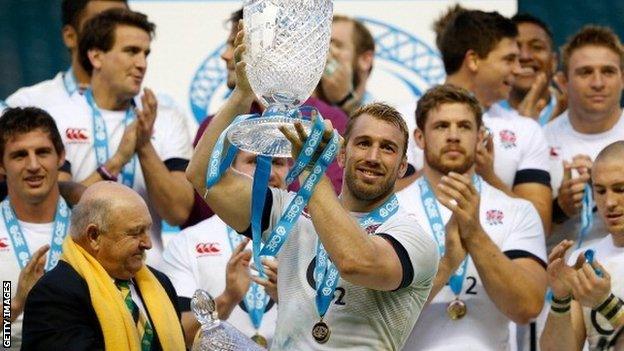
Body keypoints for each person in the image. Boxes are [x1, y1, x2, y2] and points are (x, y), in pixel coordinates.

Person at [185, 28, 438, 350]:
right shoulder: (291, 217)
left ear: (403, 167)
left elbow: (354, 261)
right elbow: (203, 176)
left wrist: (310, 170)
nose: (373, 157)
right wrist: (242, 94)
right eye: (363, 143)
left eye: (388, 148)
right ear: (343, 154)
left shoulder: (411, 236)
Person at [397, 84, 547, 350]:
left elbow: (527, 307)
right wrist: (447, 264)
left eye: (464, 126)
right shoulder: (392, 209)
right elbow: (378, 314)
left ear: (480, 138)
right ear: (419, 138)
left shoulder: (518, 211)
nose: (453, 136)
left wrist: (475, 235)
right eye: (442, 126)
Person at [46, 8, 194, 265]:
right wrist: (117, 161)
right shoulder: (58, 117)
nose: (142, 63)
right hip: (78, 268)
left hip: (146, 270)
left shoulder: (168, 118)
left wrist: (144, 145)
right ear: (96, 56)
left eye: (146, 53)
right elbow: (56, 202)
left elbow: (178, 212)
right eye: (131, 51)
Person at [183, 8, 348, 228]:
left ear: (274, 49)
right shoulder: (215, 125)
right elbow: (206, 197)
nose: (225, 55)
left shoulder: (328, 121)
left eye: (236, 44)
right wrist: (243, 93)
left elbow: (337, 205)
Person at [404, 10, 552, 234]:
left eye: (464, 127)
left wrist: (488, 176)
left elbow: (540, 224)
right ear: (473, 60)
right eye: (509, 59)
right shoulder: (403, 119)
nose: (517, 69)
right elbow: (375, 205)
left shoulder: (525, 130)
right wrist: (437, 166)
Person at [21, 181, 185, 350]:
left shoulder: (160, 283)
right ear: (94, 236)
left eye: (147, 230)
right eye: (136, 233)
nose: (148, 243)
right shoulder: (54, 295)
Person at [4, 0, 197, 144]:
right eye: (102, 22)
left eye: (122, 20)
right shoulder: (25, 105)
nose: (117, 30)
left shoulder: (166, 110)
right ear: (70, 36)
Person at [159, 150, 285, 347]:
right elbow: (176, 338)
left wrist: (288, 299)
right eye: (254, 162)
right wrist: (228, 298)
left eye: (278, 162)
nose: (268, 173)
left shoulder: (310, 238)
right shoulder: (188, 242)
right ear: (229, 171)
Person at [545, 26, 624, 251]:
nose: (598, 83)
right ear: (563, 82)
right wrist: (561, 208)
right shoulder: (540, 140)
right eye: (585, 72)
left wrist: (604, 187)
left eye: (608, 72)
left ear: (623, 78)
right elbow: (517, 228)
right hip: (560, 277)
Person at [541, 141, 624, 351]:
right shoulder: (584, 258)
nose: (610, 202)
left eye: (620, 189)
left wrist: (606, 304)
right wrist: (560, 299)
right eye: (600, 191)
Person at [0, 107, 72, 350]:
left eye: (42, 152)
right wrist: (16, 303)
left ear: (61, 156)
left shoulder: (88, 229)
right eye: (19, 155)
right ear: (1, 165)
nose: (33, 165)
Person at [492, 13, 565, 125]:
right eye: (516, 47)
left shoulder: (571, 115)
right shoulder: (483, 115)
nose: (525, 56)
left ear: (554, 61)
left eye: (537, 47)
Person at [316, 15, 375, 116]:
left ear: (365, 60)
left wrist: (346, 101)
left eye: (336, 45)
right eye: (322, 45)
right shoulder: (300, 106)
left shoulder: (382, 119)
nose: (325, 53)